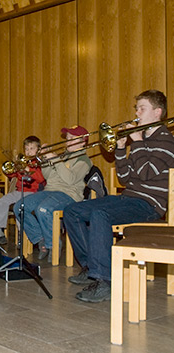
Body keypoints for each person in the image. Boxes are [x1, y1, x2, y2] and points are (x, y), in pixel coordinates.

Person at [64, 89, 174, 303]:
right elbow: (124, 178)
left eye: (142, 108)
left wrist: (137, 141)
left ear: (157, 112)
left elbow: (146, 173)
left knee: (99, 214)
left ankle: (106, 280)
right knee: (73, 210)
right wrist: (122, 150)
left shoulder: (167, 140)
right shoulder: (141, 141)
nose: (137, 113)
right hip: (128, 198)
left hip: (149, 206)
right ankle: (90, 267)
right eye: (136, 108)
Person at [14, 125, 92, 262]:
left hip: (68, 195)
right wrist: (44, 160)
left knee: (43, 209)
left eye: (72, 138)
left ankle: (53, 246)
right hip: (49, 191)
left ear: (82, 141)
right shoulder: (62, 156)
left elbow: (70, 180)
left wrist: (55, 159)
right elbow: (48, 177)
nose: (68, 141)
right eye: (67, 138)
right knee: (19, 207)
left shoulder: (84, 160)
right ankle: (40, 239)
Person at [0, 136, 45, 245]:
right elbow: (13, 176)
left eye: (32, 148)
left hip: (33, 193)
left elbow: (41, 178)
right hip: (18, 191)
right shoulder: (23, 162)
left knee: (20, 207)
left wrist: (28, 169)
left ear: (38, 150)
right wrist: (11, 170)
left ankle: (23, 234)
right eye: (26, 149)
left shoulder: (39, 163)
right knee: (0, 202)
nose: (28, 151)